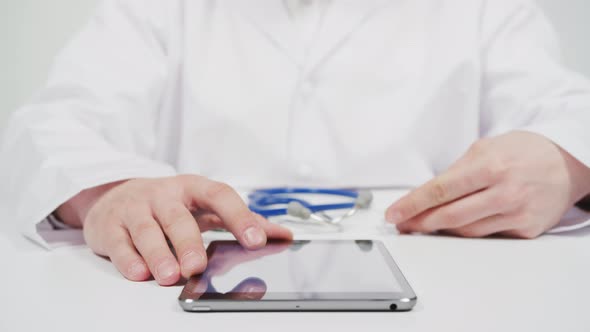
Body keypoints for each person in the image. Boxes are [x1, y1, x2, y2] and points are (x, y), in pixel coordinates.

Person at [1, 0, 590, 286]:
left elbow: (572, 110)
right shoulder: (153, 9)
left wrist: (567, 160)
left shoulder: (488, 9)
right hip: (194, 288)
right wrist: (111, 192)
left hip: (452, 293)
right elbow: (55, 122)